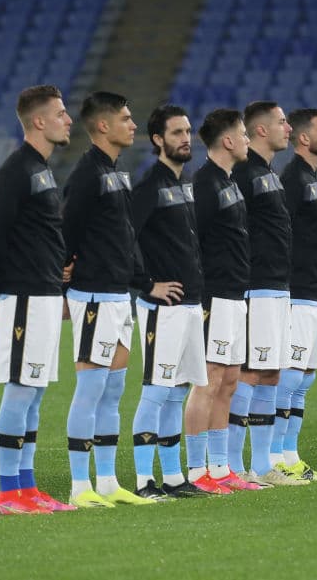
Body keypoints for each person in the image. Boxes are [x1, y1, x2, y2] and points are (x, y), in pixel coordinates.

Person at [62, 91, 177, 507]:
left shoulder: (118, 171)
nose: (134, 125)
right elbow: (68, 232)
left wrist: (142, 283)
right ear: (104, 126)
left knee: (112, 391)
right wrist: (64, 275)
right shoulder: (86, 174)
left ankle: (108, 482)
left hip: (116, 296)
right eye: (126, 119)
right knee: (90, 389)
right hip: (93, 293)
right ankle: (79, 487)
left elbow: (123, 238)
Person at [0, 85, 75, 514]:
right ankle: (7, 493)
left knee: (35, 392)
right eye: (60, 113)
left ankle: (28, 488)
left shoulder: (42, 169)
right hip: (21, 295)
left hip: (43, 294)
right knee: (20, 391)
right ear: (38, 121)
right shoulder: (16, 169)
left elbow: (39, 233)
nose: (68, 119)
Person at [129, 104, 210, 500]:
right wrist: (146, 284)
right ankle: (144, 481)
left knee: (178, 392)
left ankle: (174, 477)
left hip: (191, 304)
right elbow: (122, 239)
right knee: (157, 390)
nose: (185, 138)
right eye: (176, 132)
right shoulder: (149, 187)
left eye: (188, 131)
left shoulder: (186, 183)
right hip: (164, 309)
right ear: (158, 140)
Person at [228, 101, 305, 486]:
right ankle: (231, 465)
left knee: (271, 374)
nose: (287, 128)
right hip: (254, 286)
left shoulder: (270, 174)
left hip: (277, 286)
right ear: (260, 130)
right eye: (280, 122)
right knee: (248, 373)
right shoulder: (243, 173)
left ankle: (260, 466)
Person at [184, 108, 261, 493]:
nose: (248, 140)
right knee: (209, 380)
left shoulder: (229, 181)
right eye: (244, 134)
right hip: (214, 295)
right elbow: (192, 241)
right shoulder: (205, 184)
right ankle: (198, 472)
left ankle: (221, 467)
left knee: (229, 380)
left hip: (235, 294)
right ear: (228, 141)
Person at [274, 108, 317, 480]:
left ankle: (290, 455)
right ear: (302, 138)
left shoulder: (314, 178)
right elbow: (285, 239)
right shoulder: (292, 179)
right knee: (291, 376)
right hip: (296, 292)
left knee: (306, 377)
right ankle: (275, 457)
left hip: (314, 292)